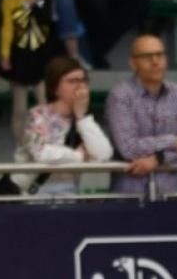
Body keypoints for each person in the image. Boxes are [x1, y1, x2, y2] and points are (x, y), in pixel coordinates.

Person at [105, 34, 177, 198]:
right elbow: (129, 148)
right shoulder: (120, 95)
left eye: (160, 55)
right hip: (128, 196)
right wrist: (174, 142)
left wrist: (159, 159)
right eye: (147, 56)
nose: (155, 61)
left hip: (170, 194)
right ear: (133, 63)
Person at [0, 0, 67, 146]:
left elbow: (49, 21)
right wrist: (4, 55)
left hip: (42, 55)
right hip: (20, 55)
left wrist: (35, 4)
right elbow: (7, 30)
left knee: (45, 103)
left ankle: (49, 145)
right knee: (19, 108)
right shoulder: (9, 0)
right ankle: (22, 148)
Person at [15, 56, 111, 198]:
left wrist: (82, 118)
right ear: (55, 88)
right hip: (32, 194)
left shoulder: (84, 121)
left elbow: (103, 155)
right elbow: (40, 154)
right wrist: (78, 156)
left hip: (69, 193)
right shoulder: (37, 115)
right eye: (72, 81)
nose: (80, 86)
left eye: (83, 80)